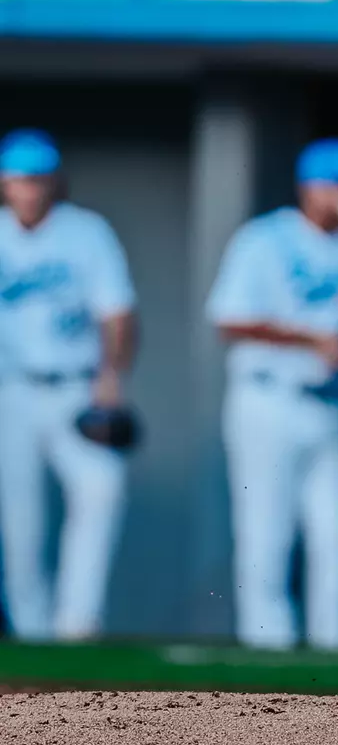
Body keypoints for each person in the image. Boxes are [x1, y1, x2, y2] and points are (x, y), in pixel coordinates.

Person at [206, 137, 338, 651]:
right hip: (269, 397)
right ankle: (265, 649)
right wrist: (309, 338)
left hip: (334, 404)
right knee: (266, 532)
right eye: (333, 185)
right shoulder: (265, 238)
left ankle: (331, 653)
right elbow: (230, 320)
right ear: (308, 188)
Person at [0, 129, 136, 641]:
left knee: (101, 489)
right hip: (11, 391)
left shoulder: (85, 232)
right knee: (19, 519)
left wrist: (112, 375)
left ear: (54, 182)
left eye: (37, 180)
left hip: (76, 388)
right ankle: (31, 629)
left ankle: (78, 622)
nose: (29, 190)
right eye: (19, 180)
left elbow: (117, 313)